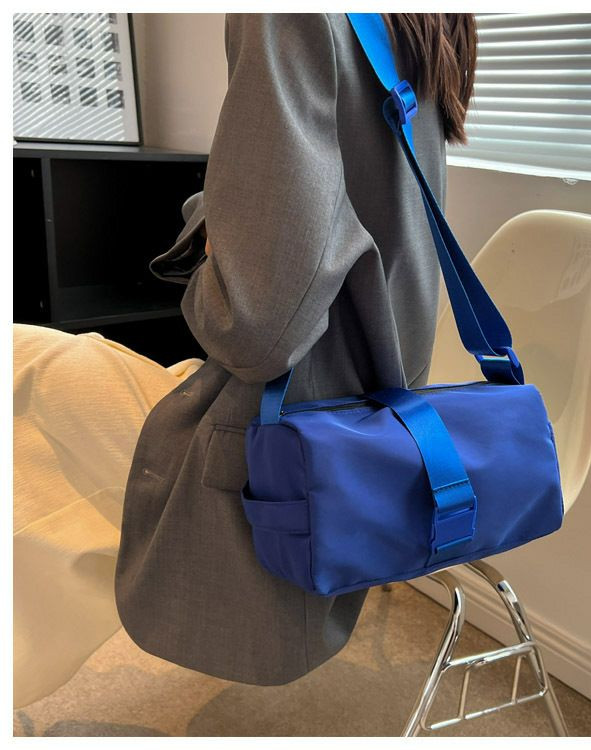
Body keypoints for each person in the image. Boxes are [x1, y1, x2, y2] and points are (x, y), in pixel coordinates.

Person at [13, 13, 477, 708]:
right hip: (371, 416)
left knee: (21, 366)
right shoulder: (419, 23)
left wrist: (210, 228)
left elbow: (253, 332)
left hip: (283, 426)